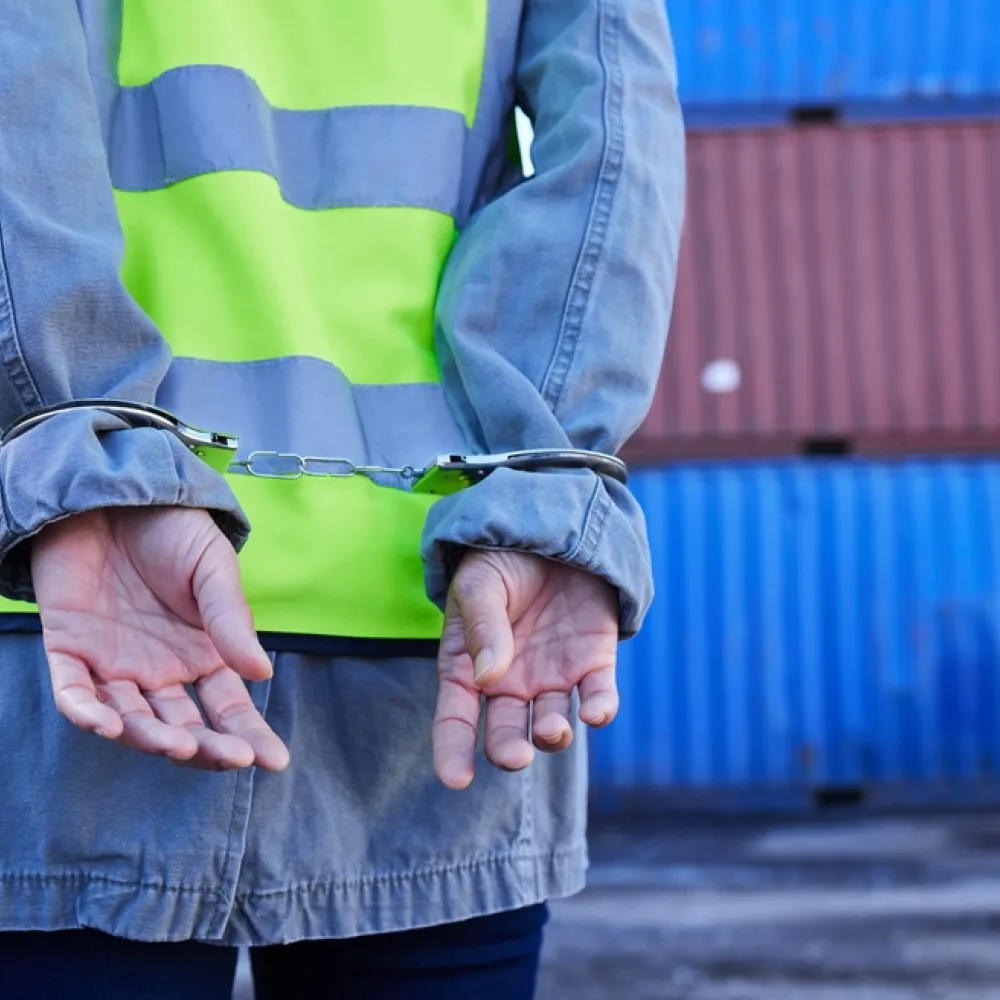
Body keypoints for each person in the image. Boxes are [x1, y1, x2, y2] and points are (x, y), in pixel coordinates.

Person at [0, 2, 683, 998]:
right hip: (451, 616)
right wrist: (552, 472)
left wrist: (75, 446)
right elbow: (611, 145)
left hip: (76, 606)